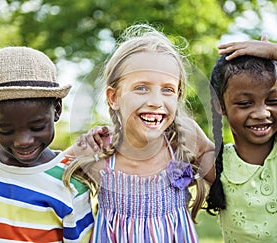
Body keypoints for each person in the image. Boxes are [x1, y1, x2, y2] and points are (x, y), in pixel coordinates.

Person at [63, 24, 215, 242]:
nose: (155, 101)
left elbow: (234, 178)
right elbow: (43, 173)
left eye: (167, 89)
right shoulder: (98, 148)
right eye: (141, 88)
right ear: (114, 97)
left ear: (178, 96)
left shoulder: (186, 138)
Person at [0, 46, 94, 242]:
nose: (22, 142)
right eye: (6, 130)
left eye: (37, 127)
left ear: (57, 110)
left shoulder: (70, 182)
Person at [206, 39, 277, 242]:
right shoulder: (215, 161)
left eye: (273, 101)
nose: (261, 113)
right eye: (245, 103)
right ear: (220, 105)